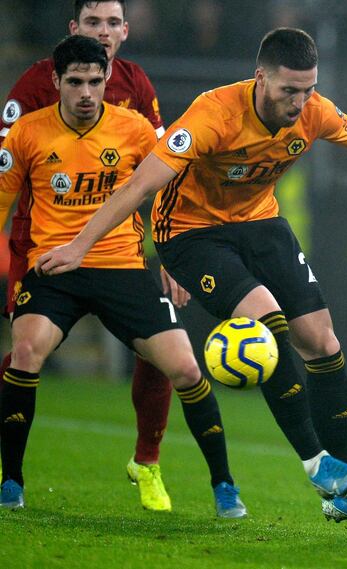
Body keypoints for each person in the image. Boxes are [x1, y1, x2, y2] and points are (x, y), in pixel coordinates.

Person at [33, 27, 347, 539]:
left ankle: (342, 490)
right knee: (268, 321)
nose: (300, 103)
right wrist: (80, 245)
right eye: (288, 92)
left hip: (259, 223)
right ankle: (316, 462)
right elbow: (140, 184)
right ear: (261, 79)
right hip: (192, 233)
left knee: (324, 342)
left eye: (307, 90)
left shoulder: (315, 109)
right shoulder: (214, 115)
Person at [0, 35, 251, 518]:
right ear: (55, 82)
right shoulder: (27, 134)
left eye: (96, 81)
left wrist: (174, 261)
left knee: (186, 367)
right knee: (26, 352)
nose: (86, 92)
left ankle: (224, 485)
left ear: (107, 80)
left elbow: (168, 196)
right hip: (54, 269)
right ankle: (11, 480)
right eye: (74, 82)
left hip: (121, 267)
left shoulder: (135, 129)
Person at [0, 0, 177, 512]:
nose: (103, 32)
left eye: (112, 23)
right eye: (92, 23)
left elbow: (163, 169)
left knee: (162, 349)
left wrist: (169, 253)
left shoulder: (137, 84)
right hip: (44, 246)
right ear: (73, 29)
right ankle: (11, 466)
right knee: (28, 354)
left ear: (125, 30)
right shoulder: (36, 85)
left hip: (119, 250)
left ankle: (148, 461)